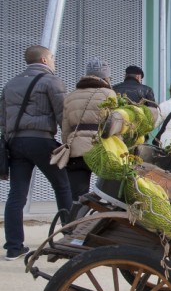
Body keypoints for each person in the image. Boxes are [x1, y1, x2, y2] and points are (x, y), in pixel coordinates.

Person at [0, 45, 72, 260]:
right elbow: (63, 115)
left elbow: (3, 119)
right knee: (62, 185)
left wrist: (9, 138)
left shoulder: (10, 84)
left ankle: (14, 247)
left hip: (15, 142)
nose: (53, 61)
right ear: (43, 59)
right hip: (41, 140)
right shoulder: (52, 81)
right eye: (52, 58)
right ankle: (70, 237)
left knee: (17, 195)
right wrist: (69, 142)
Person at [61, 58, 117, 200]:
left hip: (76, 151)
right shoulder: (109, 94)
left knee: (77, 197)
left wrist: (69, 146)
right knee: (110, 193)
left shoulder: (70, 96)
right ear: (106, 77)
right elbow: (114, 124)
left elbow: (65, 130)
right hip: (101, 149)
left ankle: (75, 221)